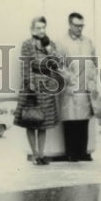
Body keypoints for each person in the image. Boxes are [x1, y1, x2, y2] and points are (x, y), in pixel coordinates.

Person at [17, 15, 63, 165]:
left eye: (43, 27)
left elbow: (57, 64)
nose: (41, 30)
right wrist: (30, 84)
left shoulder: (50, 44)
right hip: (32, 86)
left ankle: (41, 154)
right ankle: (35, 154)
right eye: (38, 28)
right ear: (32, 29)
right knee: (31, 120)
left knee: (43, 123)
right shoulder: (27, 44)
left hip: (46, 85)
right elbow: (26, 65)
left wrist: (49, 49)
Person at [57, 11, 99, 162]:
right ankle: (71, 153)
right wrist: (70, 78)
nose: (80, 29)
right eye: (76, 25)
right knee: (71, 120)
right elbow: (58, 64)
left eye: (82, 26)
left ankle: (83, 151)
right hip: (71, 86)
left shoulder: (88, 41)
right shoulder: (61, 42)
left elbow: (94, 61)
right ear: (70, 24)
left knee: (84, 120)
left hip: (86, 86)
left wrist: (93, 78)